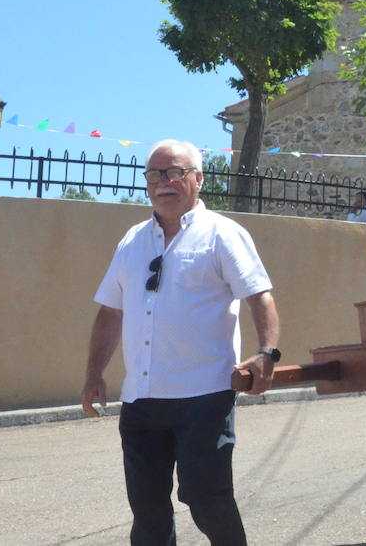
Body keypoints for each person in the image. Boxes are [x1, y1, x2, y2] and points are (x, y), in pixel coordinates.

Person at [82, 140, 280, 546]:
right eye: (155, 174)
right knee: (148, 510)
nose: (164, 182)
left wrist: (266, 353)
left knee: (206, 498)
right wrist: (93, 374)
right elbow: (110, 312)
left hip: (203, 396)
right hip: (141, 399)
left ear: (198, 179)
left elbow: (259, 295)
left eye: (175, 172)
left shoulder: (223, 233)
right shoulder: (132, 241)